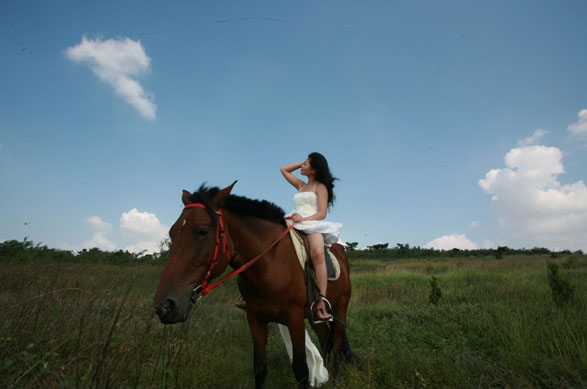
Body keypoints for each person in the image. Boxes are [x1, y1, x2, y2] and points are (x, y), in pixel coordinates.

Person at [281, 152, 342, 321]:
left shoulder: (320, 187)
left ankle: (322, 300)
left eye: (306, 164)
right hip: (294, 222)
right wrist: (303, 162)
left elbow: (321, 213)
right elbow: (283, 169)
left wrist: (303, 219)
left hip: (312, 224)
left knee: (317, 253)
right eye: (303, 163)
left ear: (314, 170)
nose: (302, 166)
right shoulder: (301, 185)